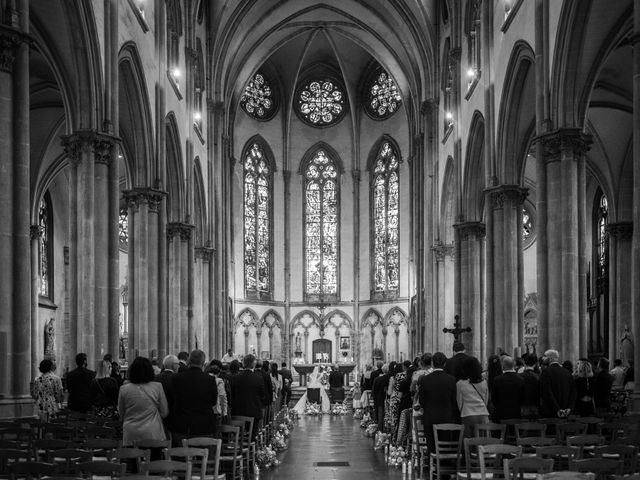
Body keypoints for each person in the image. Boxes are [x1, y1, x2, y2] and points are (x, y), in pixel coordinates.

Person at [118, 357, 169, 447]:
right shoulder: (157, 387)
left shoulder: (124, 389)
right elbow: (164, 412)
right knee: (154, 460)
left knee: (132, 459)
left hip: (131, 431)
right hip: (152, 431)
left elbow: (121, 413)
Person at [170, 349, 218, 445]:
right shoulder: (210, 380)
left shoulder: (176, 378)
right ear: (203, 363)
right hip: (204, 426)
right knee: (204, 457)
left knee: (180, 458)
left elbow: (172, 400)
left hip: (181, 425)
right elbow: (213, 401)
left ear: (188, 361)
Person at [418, 352, 459, 453]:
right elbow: (454, 401)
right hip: (446, 417)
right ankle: (444, 464)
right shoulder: (451, 379)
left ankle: (433, 465)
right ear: (445, 364)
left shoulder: (425, 380)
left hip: (430, 418)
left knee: (431, 446)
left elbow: (422, 402)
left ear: (432, 363)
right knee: (445, 445)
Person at [230, 354, 266, 440]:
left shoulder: (235, 378)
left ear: (243, 364)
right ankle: (251, 450)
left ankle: (239, 450)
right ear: (253, 364)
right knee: (252, 436)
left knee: (238, 436)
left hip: (238, 411)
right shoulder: (258, 378)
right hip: (254, 411)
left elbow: (232, 394)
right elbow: (262, 396)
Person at [456, 356, 489, 437]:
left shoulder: (460, 383)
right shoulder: (484, 382)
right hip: (482, 414)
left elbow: (459, 401)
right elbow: (486, 399)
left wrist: (462, 411)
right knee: (483, 441)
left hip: (468, 414)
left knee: (469, 442)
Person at [539, 349, 576, 418]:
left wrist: (557, 409)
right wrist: (569, 408)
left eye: (544, 356)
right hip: (566, 412)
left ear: (550, 358)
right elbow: (573, 392)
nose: (543, 358)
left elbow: (547, 392)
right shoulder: (567, 372)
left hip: (551, 413)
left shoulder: (546, 372)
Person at [491, 356, 525, 422]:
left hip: (500, 413)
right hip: (516, 413)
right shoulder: (520, 379)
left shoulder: (497, 379)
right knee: (514, 432)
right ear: (514, 365)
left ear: (503, 365)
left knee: (500, 432)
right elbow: (523, 397)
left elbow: (494, 398)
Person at [372, 363, 390, 432]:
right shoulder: (389, 378)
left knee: (380, 415)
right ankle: (387, 431)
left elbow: (374, 391)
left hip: (379, 399)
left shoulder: (377, 379)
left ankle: (380, 430)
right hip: (388, 398)